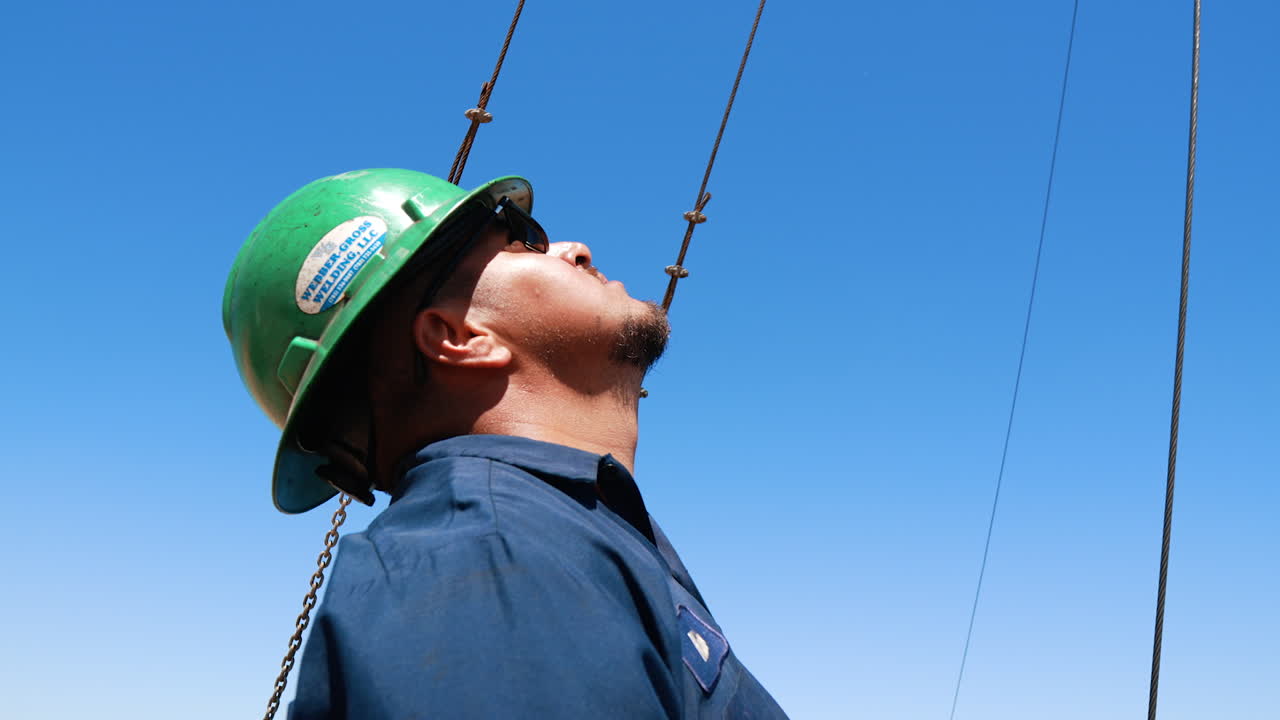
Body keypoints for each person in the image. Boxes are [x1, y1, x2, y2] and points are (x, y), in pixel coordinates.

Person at [223, 168, 790, 719]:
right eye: (521, 245)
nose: (577, 249)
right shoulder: (481, 565)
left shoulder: (550, 535)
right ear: (459, 337)